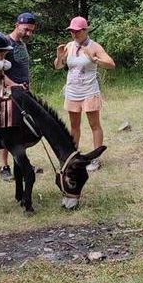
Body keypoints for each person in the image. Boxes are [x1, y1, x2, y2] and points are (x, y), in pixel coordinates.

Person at [53, 16, 115, 172]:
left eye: (77, 31)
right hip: (73, 91)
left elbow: (111, 64)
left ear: (85, 30)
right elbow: (58, 67)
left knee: (94, 125)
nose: (74, 34)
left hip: (89, 91)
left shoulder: (94, 46)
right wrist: (60, 56)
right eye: (72, 31)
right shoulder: (69, 45)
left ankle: (95, 158)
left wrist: (94, 59)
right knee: (74, 127)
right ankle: (73, 156)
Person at [0, 13, 36, 181]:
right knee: (8, 129)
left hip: (23, 92)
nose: (28, 33)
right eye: (26, 29)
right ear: (17, 25)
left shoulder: (22, 44)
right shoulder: (5, 43)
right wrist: (13, 85)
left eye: (31, 31)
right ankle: (4, 167)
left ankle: (21, 162)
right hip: (9, 93)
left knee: (22, 129)